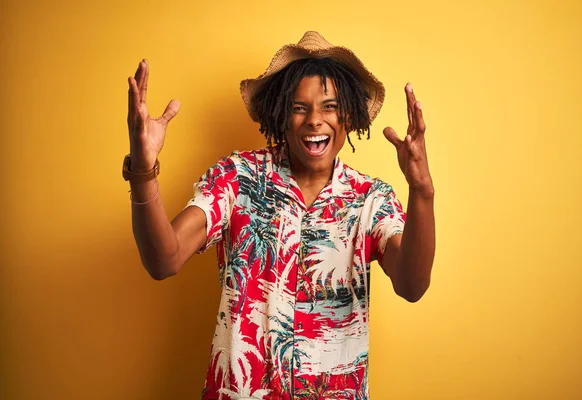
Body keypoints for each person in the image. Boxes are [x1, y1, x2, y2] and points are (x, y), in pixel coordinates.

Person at [124, 31, 435, 400]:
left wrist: (422, 191)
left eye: (330, 106)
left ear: (348, 114)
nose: (314, 120)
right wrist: (143, 172)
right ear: (281, 115)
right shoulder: (238, 178)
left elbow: (412, 285)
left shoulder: (370, 199)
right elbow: (164, 259)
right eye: (299, 107)